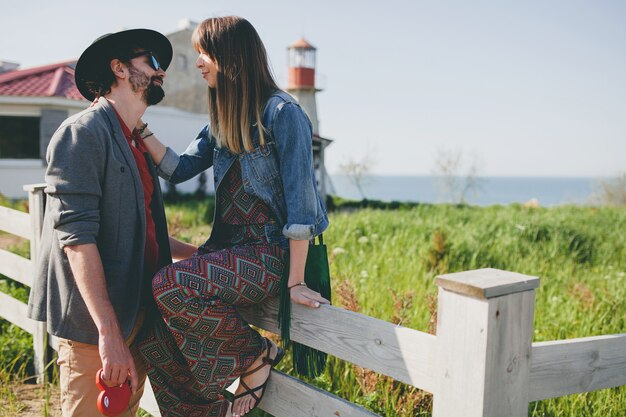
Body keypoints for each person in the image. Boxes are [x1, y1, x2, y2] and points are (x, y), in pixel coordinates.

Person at [136, 16, 330, 417]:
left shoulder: (283, 113)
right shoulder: (222, 119)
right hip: (231, 250)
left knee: (169, 284)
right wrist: (139, 128)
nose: (199, 62)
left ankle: (256, 355)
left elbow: (302, 209)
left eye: (204, 53)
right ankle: (204, 412)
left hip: (269, 255)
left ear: (231, 55)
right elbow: (179, 168)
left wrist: (294, 282)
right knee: (150, 328)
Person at [27, 29, 197, 416]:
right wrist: (109, 335)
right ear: (119, 68)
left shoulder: (133, 140)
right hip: (95, 329)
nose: (162, 73)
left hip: (134, 313)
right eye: (152, 62)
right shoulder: (82, 134)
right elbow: (77, 240)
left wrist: (195, 253)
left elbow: (138, 226)